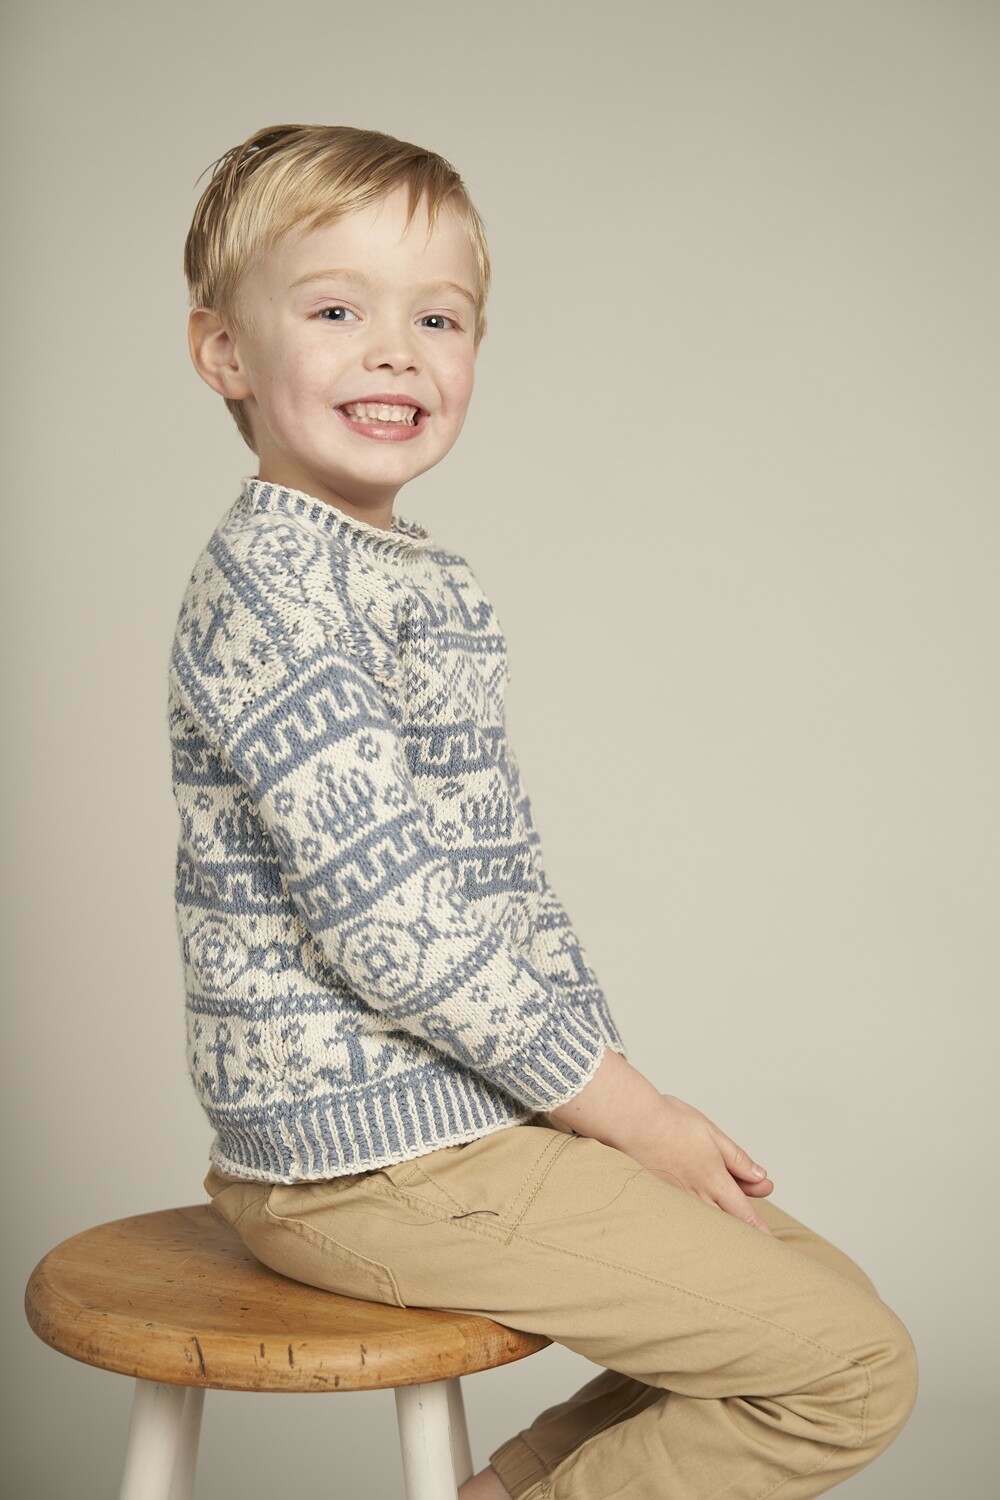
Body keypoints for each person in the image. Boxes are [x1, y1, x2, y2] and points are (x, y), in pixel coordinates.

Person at [170, 122, 918, 1500]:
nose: (397, 352)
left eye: (438, 317)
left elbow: (499, 889)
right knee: (849, 1371)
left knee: (827, 1310)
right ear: (225, 352)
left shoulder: (416, 574)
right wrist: (629, 1114)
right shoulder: (276, 586)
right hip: (363, 1159)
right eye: (336, 311)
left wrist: (595, 1099)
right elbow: (393, 928)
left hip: (470, 1115)